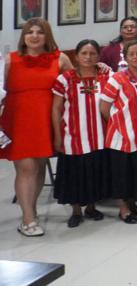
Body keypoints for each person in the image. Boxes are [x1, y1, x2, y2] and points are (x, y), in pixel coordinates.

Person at [1, 19, 74, 236]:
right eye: (29, 32)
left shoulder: (60, 59)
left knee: (39, 168)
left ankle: (31, 210)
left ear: (47, 36)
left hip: (45, 121)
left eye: (39, 32)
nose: (34, 36)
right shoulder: (9, 60)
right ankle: (27, 220)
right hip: (19, 121)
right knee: (26, 169)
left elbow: (75, 82)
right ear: (23, 36)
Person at [52, 39, 110, 228]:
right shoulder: (65, 79)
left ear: (98, 56)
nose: (88, 57)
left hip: (100, 136)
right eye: (84, 53)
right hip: (73, 137)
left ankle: (91, 207)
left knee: (94, 173)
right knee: (74, 175)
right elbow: (56, 109)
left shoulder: (106, 76)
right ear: (76, 56)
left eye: (93, 53)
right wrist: (57, 136)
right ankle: (76, 211)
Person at [100, 40, 137, 224]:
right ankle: (123, 209)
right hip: (121, 136)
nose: (136, 57)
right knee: (121, 174)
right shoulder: (117, 78)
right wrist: (118, 125)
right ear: (125, 57)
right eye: (131, 54)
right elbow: (104, 107)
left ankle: (135, 204)